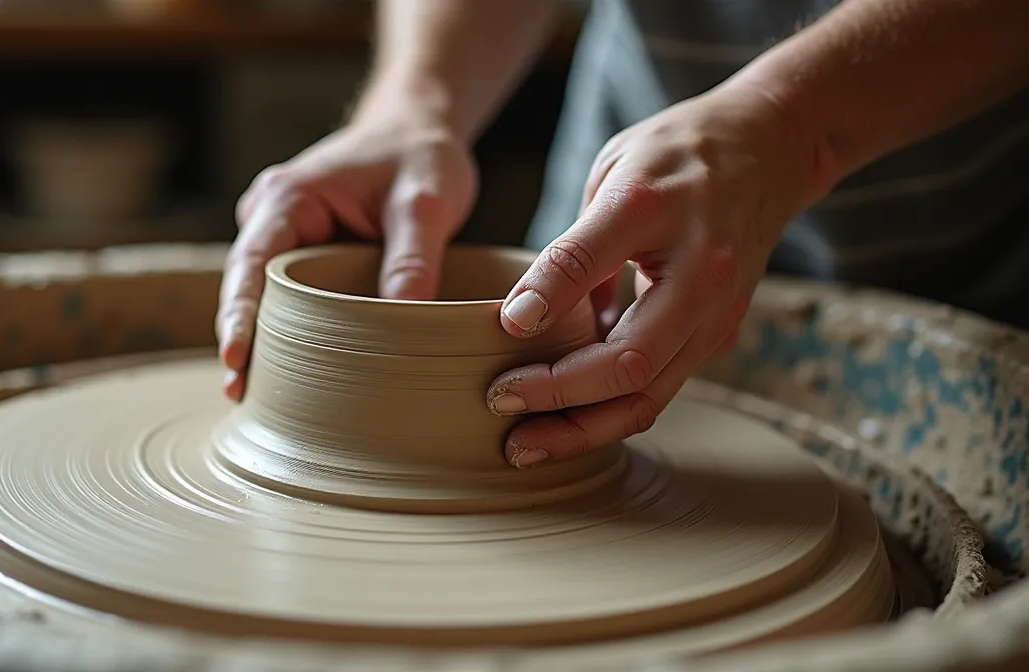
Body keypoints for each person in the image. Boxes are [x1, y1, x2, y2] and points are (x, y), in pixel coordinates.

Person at [215, 0, 1029, 469]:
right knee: (554, 343)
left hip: (969, 239)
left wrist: (793, 125)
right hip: (626, 222)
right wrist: (414, 102)